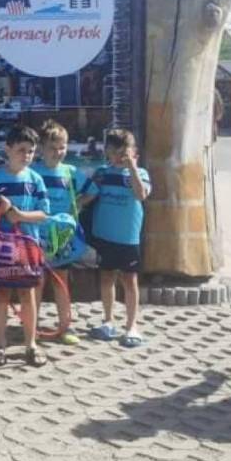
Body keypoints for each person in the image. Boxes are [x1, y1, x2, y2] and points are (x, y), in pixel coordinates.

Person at [0, 124, 50, 367]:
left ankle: (31, 344)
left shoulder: (36, 179)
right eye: (21, 150)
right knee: (1, 294)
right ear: (8, 149)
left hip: (28, 247)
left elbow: (43, 213)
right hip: (1, 247)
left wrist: (20, 216)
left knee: (28, 294)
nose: (26, 155)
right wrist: (1, 211)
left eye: (31, 151)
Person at [86, 129, 151, 348]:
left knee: (130, 281)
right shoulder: (102, 173)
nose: (117, 157)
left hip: (128, 238)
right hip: (105, 235)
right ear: (107, 152)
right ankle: (108, 321)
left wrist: (132, 168)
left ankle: (132, 326)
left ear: (134, 153)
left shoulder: (140, 173)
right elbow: (89, 195)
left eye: (123, 153)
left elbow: (141, 195)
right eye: (113, 152)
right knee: (106, 278)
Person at [33, 120, 95, 345]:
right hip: (37, 234)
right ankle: (32, 326)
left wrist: (76, 207)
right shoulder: (33, 172)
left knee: (62, 281)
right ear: (41, 148)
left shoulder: (71, 172)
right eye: (53, 148)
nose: (58, 152)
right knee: (36, 281)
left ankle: (65, 326)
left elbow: (92, 191)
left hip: (63, 236)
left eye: (62, 147)